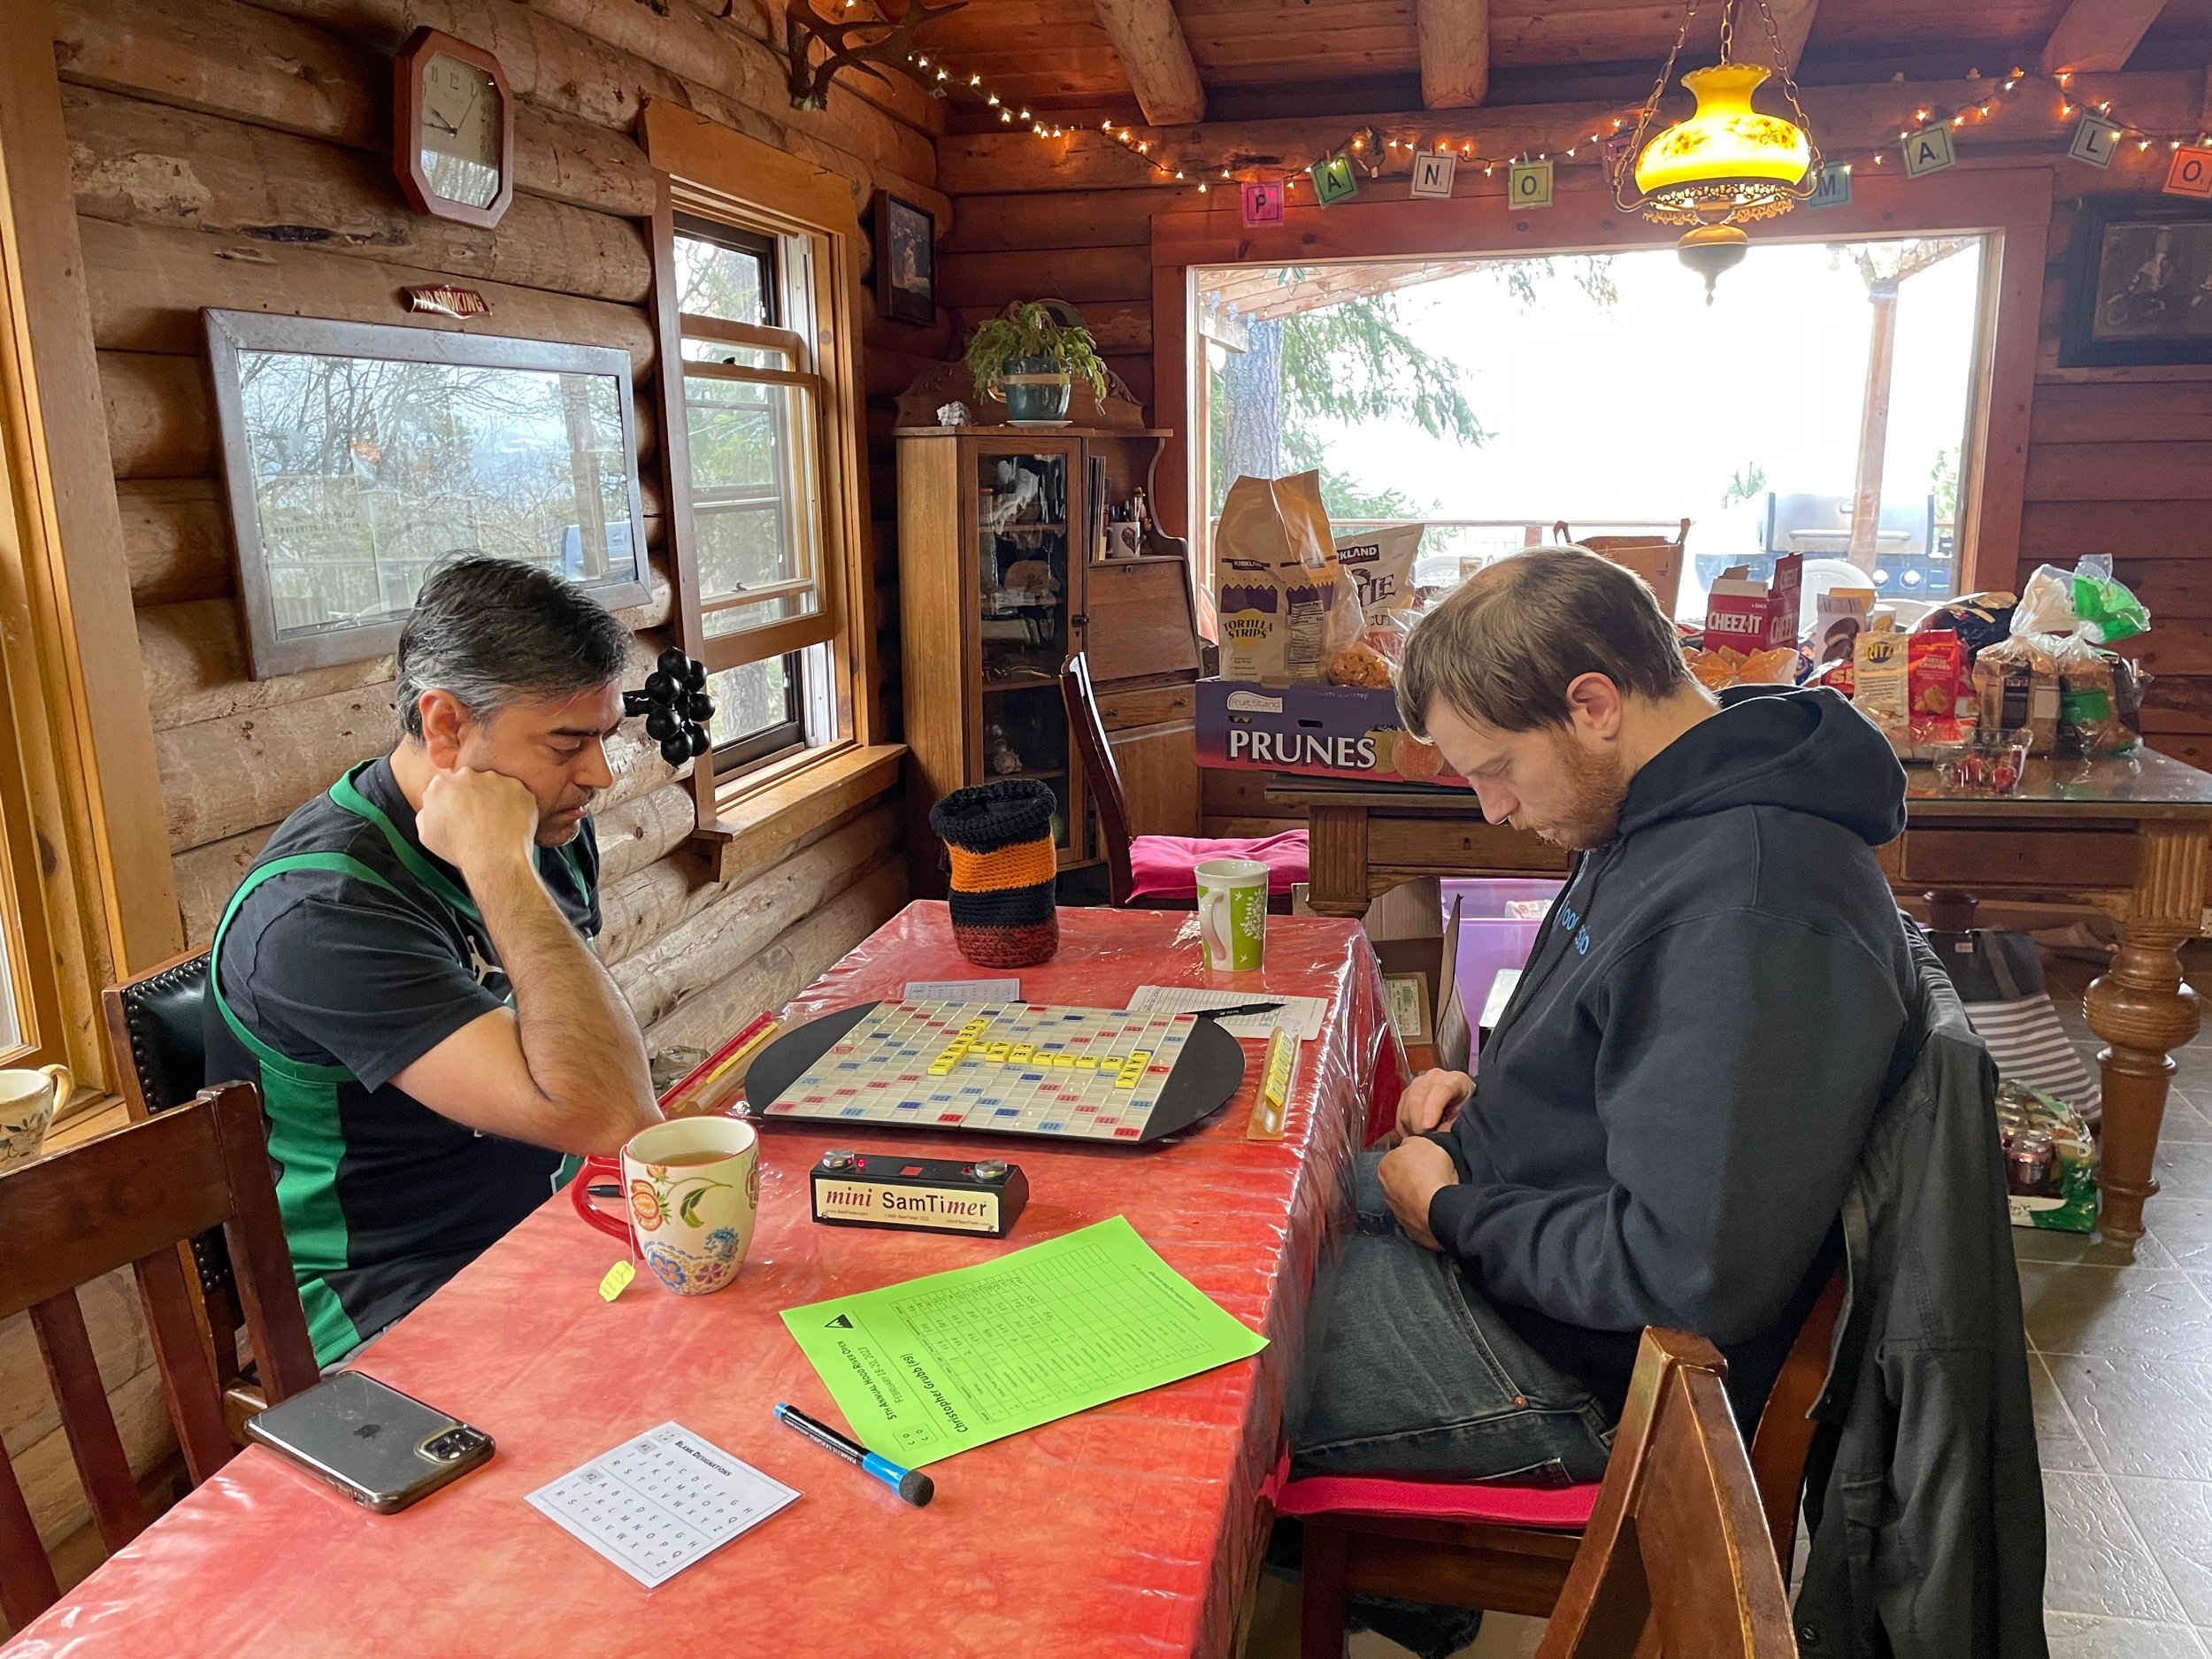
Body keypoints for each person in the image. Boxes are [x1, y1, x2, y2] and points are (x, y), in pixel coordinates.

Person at [1294, 545, 1916, 1503]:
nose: (1494, 809)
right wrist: (1504, 1100)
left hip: (1601, 1377)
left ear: (1593, 705)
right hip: (1532, 1255)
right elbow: (1642, 1051)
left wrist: (1456, 1216)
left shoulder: (1749, 906)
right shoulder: (1658, 806)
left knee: (1219, 1370)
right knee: (1254, 1221)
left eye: (1498, 769)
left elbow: (1689, 1271)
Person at [204, 555, 660, 1366]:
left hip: (552, 1232)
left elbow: (595, 1073)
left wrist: (509, 862)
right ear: (445, 724)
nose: (599, 774)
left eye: (605, 735)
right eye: (567, 743)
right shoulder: (320, 912)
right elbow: (608, 1113)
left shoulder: (546, 825)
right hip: (390, 1305)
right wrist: (501, 868)